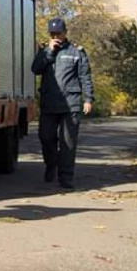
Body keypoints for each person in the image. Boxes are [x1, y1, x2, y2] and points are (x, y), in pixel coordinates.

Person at [31, 17, 94, 189]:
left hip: (70, 104)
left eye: (59, 33)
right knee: (46, 138)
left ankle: (65, 177)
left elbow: (85, 77)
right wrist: (48, 52)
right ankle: (51, 164)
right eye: (53, 33)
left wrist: (88, 99)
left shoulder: (76, 51)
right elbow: (35, 69)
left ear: (65, 32)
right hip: (49, 103)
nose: (56, 36)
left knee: (68, 143)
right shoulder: (44, 50)